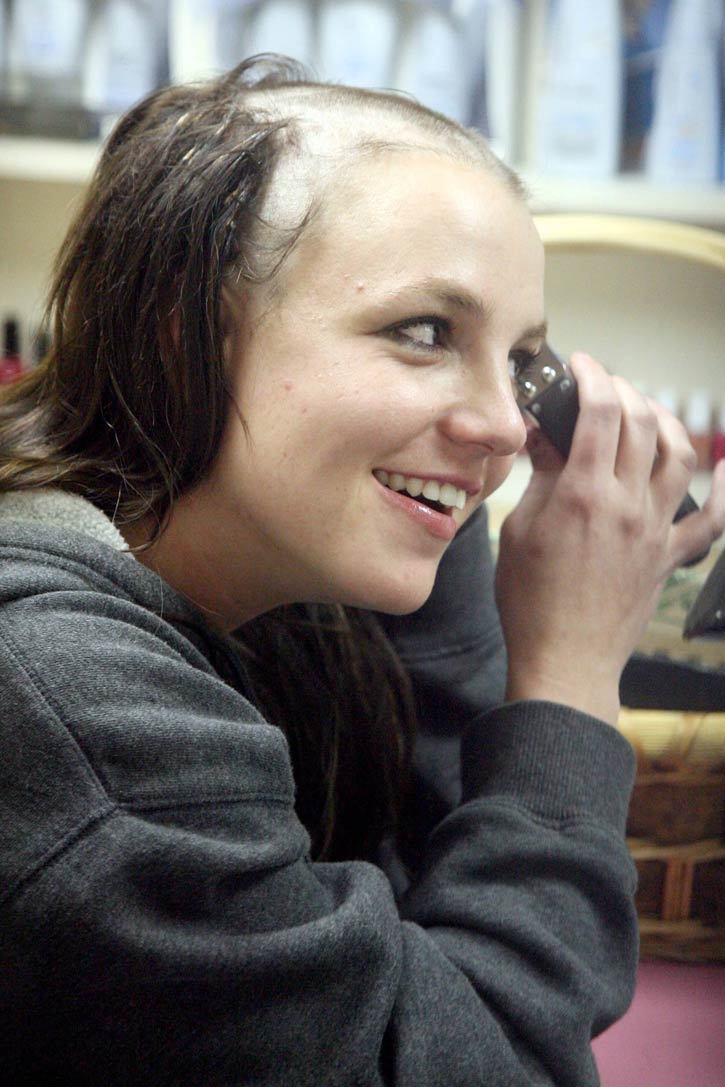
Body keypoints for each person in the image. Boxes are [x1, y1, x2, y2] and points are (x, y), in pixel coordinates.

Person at [1, 57, 723, 1086]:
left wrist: (433, 508)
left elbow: (434, 891)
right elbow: (483, 1062)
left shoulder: (273, 564)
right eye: (423, 333)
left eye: (521, 363)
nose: (504, 426)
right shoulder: (72, 702)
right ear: (182, 342)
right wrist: (568, 677)